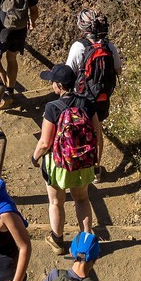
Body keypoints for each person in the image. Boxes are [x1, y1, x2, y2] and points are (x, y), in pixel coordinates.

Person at [31, 65, 103, 251]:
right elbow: (97, 134)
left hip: (58, 164)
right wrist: (96, 162)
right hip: (83, 162)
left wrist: (35, 158)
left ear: (59, 85)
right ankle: (86, 243)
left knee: (56, 202)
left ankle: (57, 241)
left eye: (53, 82)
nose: (52, 85)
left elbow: (45, 143)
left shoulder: (52, 108)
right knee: (82, 199)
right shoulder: (87, 103)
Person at [65, 8, 123, 123]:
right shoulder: (108, 45)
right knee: (98, 125)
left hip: (82, 98)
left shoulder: (78, 47)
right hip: (102, 95)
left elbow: (68, 74)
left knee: (82, 128)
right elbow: (118, 70)